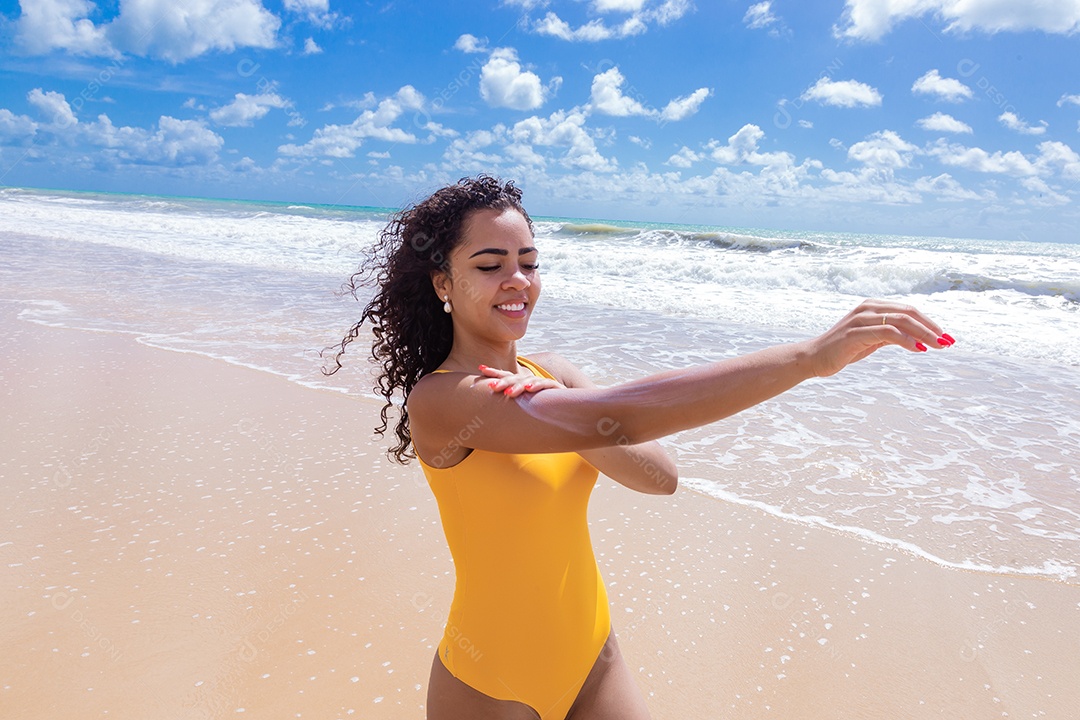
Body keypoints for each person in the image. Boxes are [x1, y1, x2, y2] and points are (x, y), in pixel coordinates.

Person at [327, 175, 954, 720]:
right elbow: (623, 414)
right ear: (444, 282)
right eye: (489, 265)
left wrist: (568, 418)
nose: (516, 280)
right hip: (489, 682)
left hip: (593, 659)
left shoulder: (554, 378)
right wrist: (806, 359)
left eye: (529, 261)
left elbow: (660, 476)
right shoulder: (440, 401)